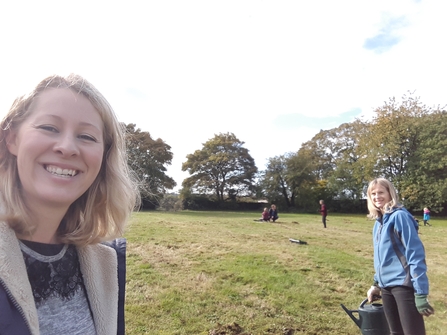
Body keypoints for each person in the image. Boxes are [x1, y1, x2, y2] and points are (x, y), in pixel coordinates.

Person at [0, 74, 140, 335]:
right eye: (49, 128)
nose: (67, 148)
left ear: (103, 157)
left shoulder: (105, 264)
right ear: (12, 139)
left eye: (86, 136)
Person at [365, 178, 434, 335]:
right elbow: (383, 257)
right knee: (395, 332)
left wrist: (421, 293)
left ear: (390, 193)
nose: (377, 197)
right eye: (373, 193)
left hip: (403, 286)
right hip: (386, 287)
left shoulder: (400, 217)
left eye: (381, 192)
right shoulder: (378, 222)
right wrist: (376, 284)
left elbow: (415, 255)